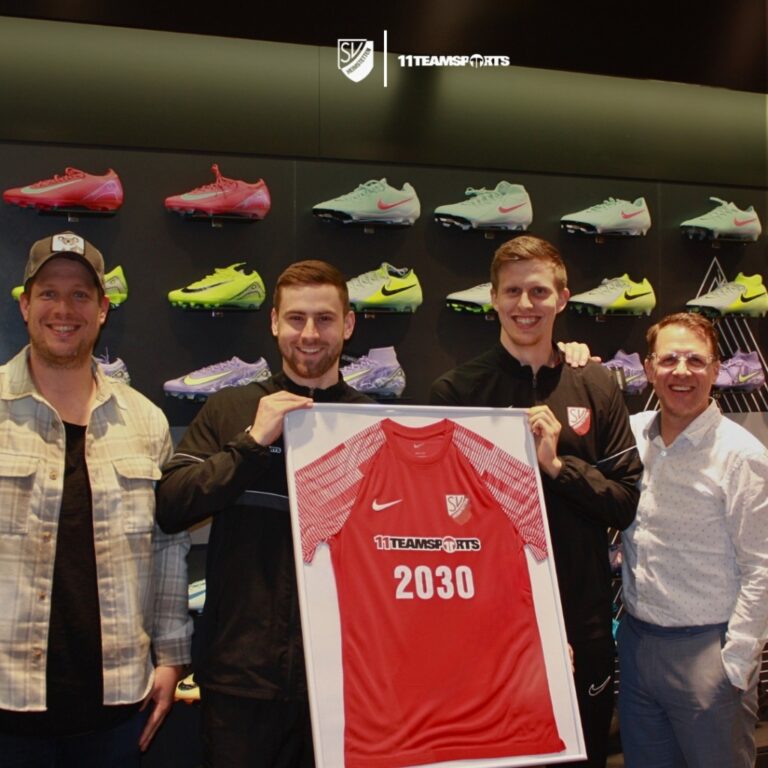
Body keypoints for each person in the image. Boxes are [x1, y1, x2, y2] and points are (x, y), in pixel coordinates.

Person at [430, 235, 641, 768]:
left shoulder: (596, 384)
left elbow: (624, 501)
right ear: (493, 298)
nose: (526, 305)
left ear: (563, 298)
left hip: (584, 619)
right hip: (489, 625)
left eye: (539, 292)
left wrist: (557, 467)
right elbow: (443, 521)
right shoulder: (456, 392)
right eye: (513, 292)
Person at [156, 260, 372, 768]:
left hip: (345, 680)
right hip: (241, 679)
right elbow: (172, 505)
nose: (310, 334)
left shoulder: (372, 421)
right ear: (274, 322)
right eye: (296, 318)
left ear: (348, 324)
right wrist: (252, 443)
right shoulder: (230, 411)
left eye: (324, 319)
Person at [0, 231, 192, 766]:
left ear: (103, 309)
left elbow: (167, 547)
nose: (64, 310)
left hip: (116, 708)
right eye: (49, 293)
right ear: (25, 305)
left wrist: (172, 656)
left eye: (81, 295)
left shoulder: (146, 421)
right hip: (6, 706)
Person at [618, 312, 768, 768]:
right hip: (638, 644)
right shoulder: (631, 434)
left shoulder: (741, 455)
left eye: (695, 360)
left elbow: (762, 567)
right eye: (669, 360)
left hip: (708, 651)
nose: (681, 371)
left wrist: (735, 664)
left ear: (716, 369)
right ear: (649, 369)